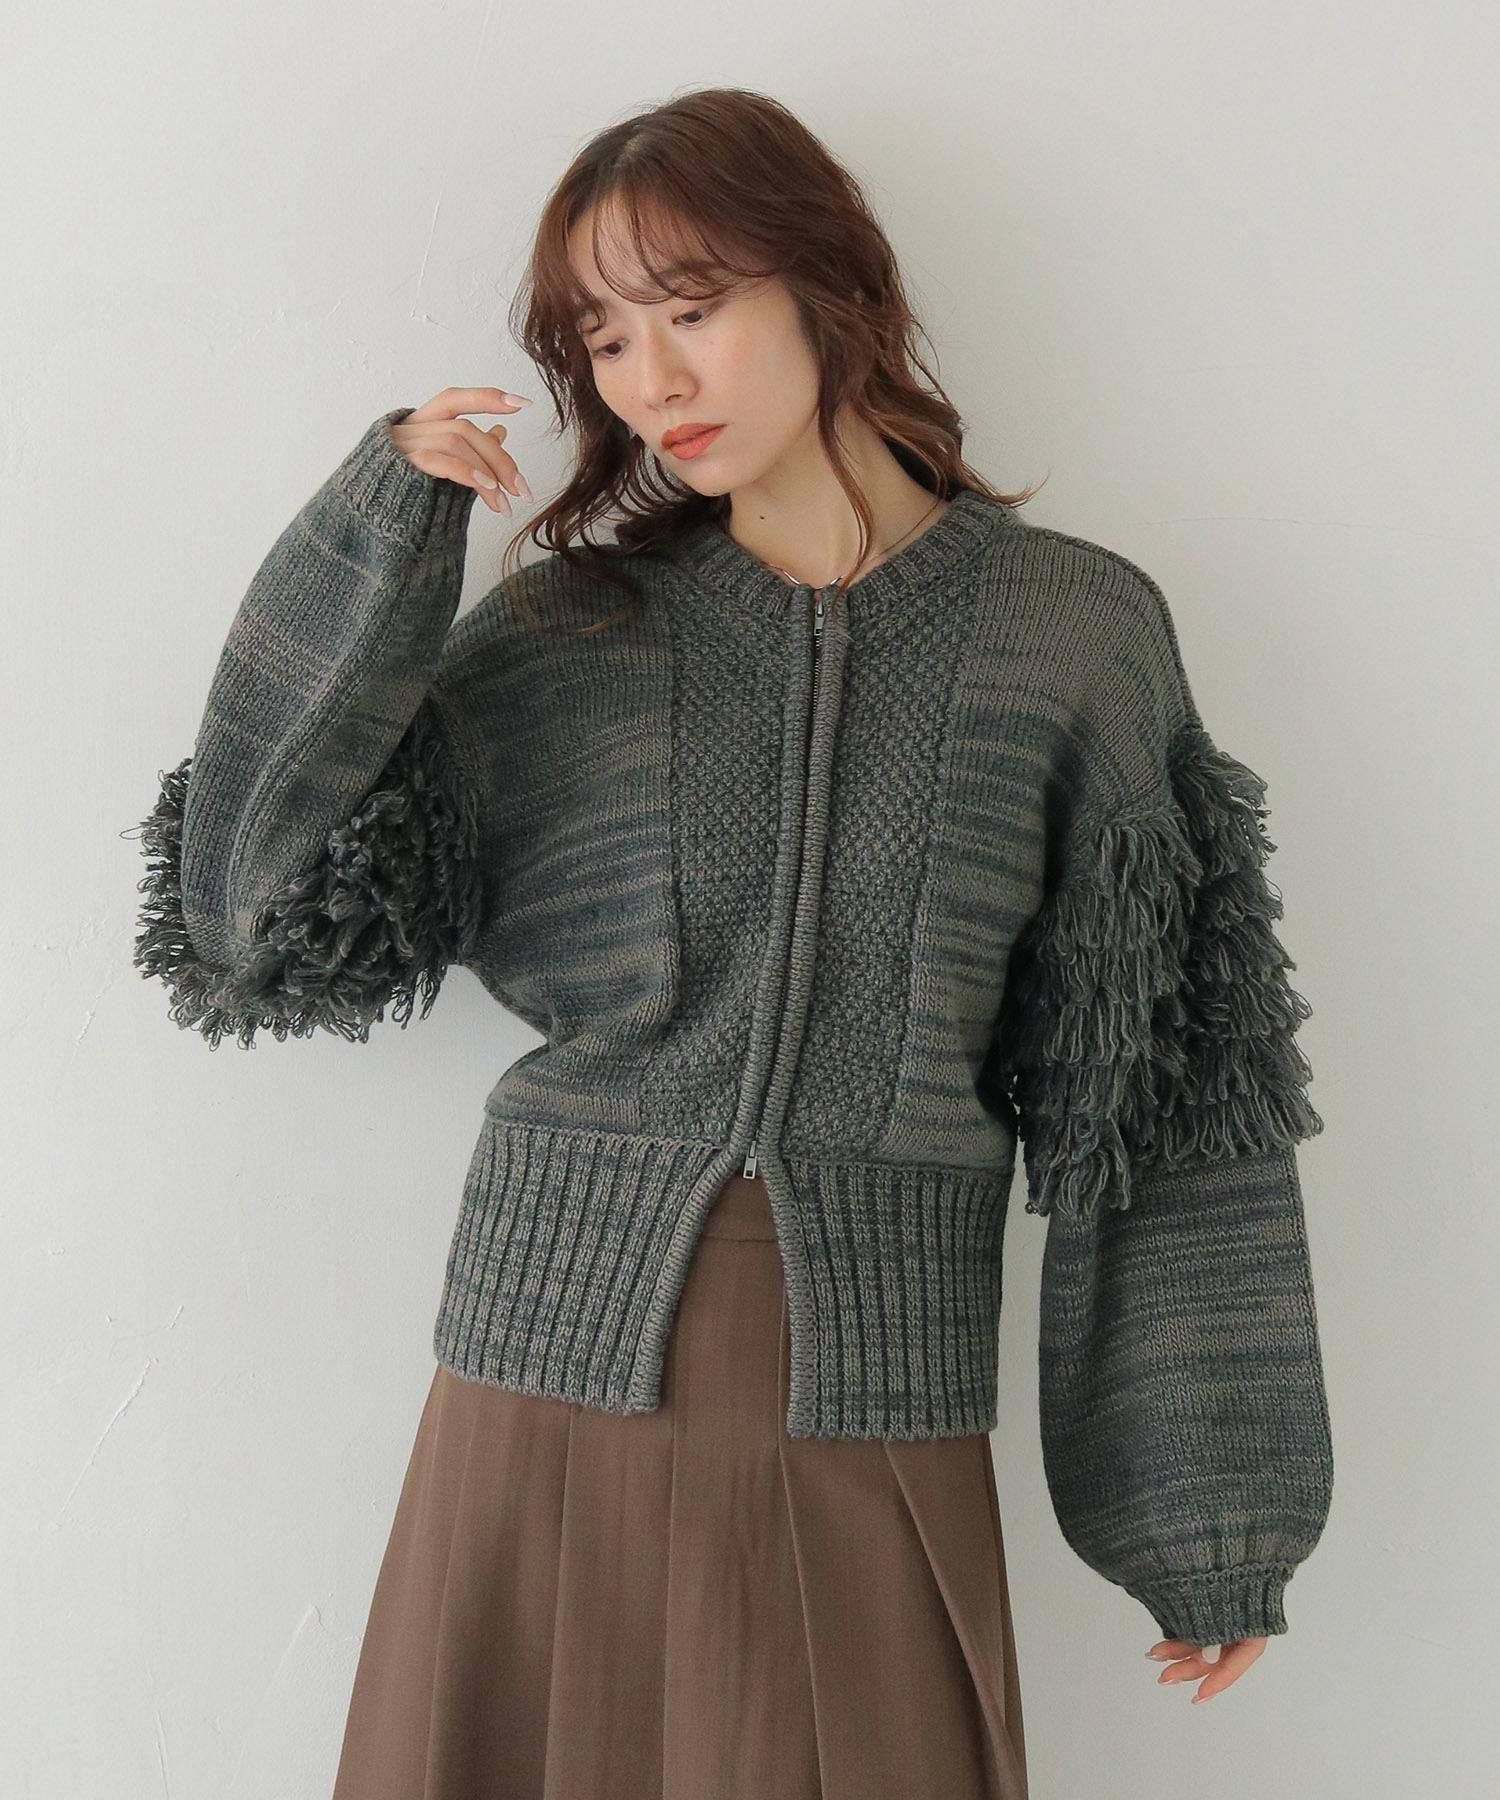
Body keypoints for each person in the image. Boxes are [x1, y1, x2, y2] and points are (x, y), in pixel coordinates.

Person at [127, 87, 1333, 1799]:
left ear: (829, 286)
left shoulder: (1075, 637)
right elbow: (247, 907)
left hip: (871, 1403)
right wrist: (375, 546)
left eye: (690, 311)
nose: (648, 381)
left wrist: (1209, 1509)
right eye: (605, 339)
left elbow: (1166, 1093)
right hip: (542, 1386)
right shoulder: (570, 634)